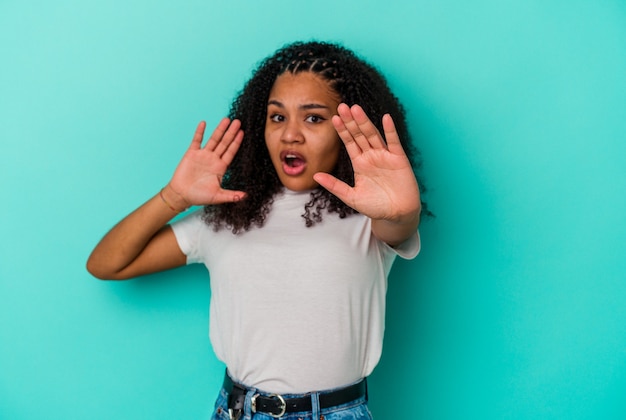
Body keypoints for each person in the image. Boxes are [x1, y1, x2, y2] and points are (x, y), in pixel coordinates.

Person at [87, 41, 429, 420]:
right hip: (237, 410)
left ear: (345, 130)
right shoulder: (229, 215)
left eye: (313, 118)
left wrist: (402, 212)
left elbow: (397, 223)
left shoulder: (368, 217)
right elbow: (107, 264)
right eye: (277, 117)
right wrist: (174, 197)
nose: (290, 135)